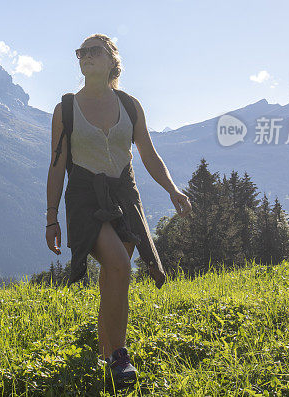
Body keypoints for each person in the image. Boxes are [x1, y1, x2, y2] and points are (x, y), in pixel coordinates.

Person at [45, 33, 192, 389]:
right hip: (84, 197)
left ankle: (104, 352)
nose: (86, 57)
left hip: (125, 197)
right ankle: (120, 355)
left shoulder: (130, 105)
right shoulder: (65, 108)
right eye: (81, 52)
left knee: (114, 276)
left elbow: (148, 154)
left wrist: (172, 189)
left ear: (112, 59)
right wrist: (51, 217)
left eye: (94, 51)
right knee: (119, 264)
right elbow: (56, 165)